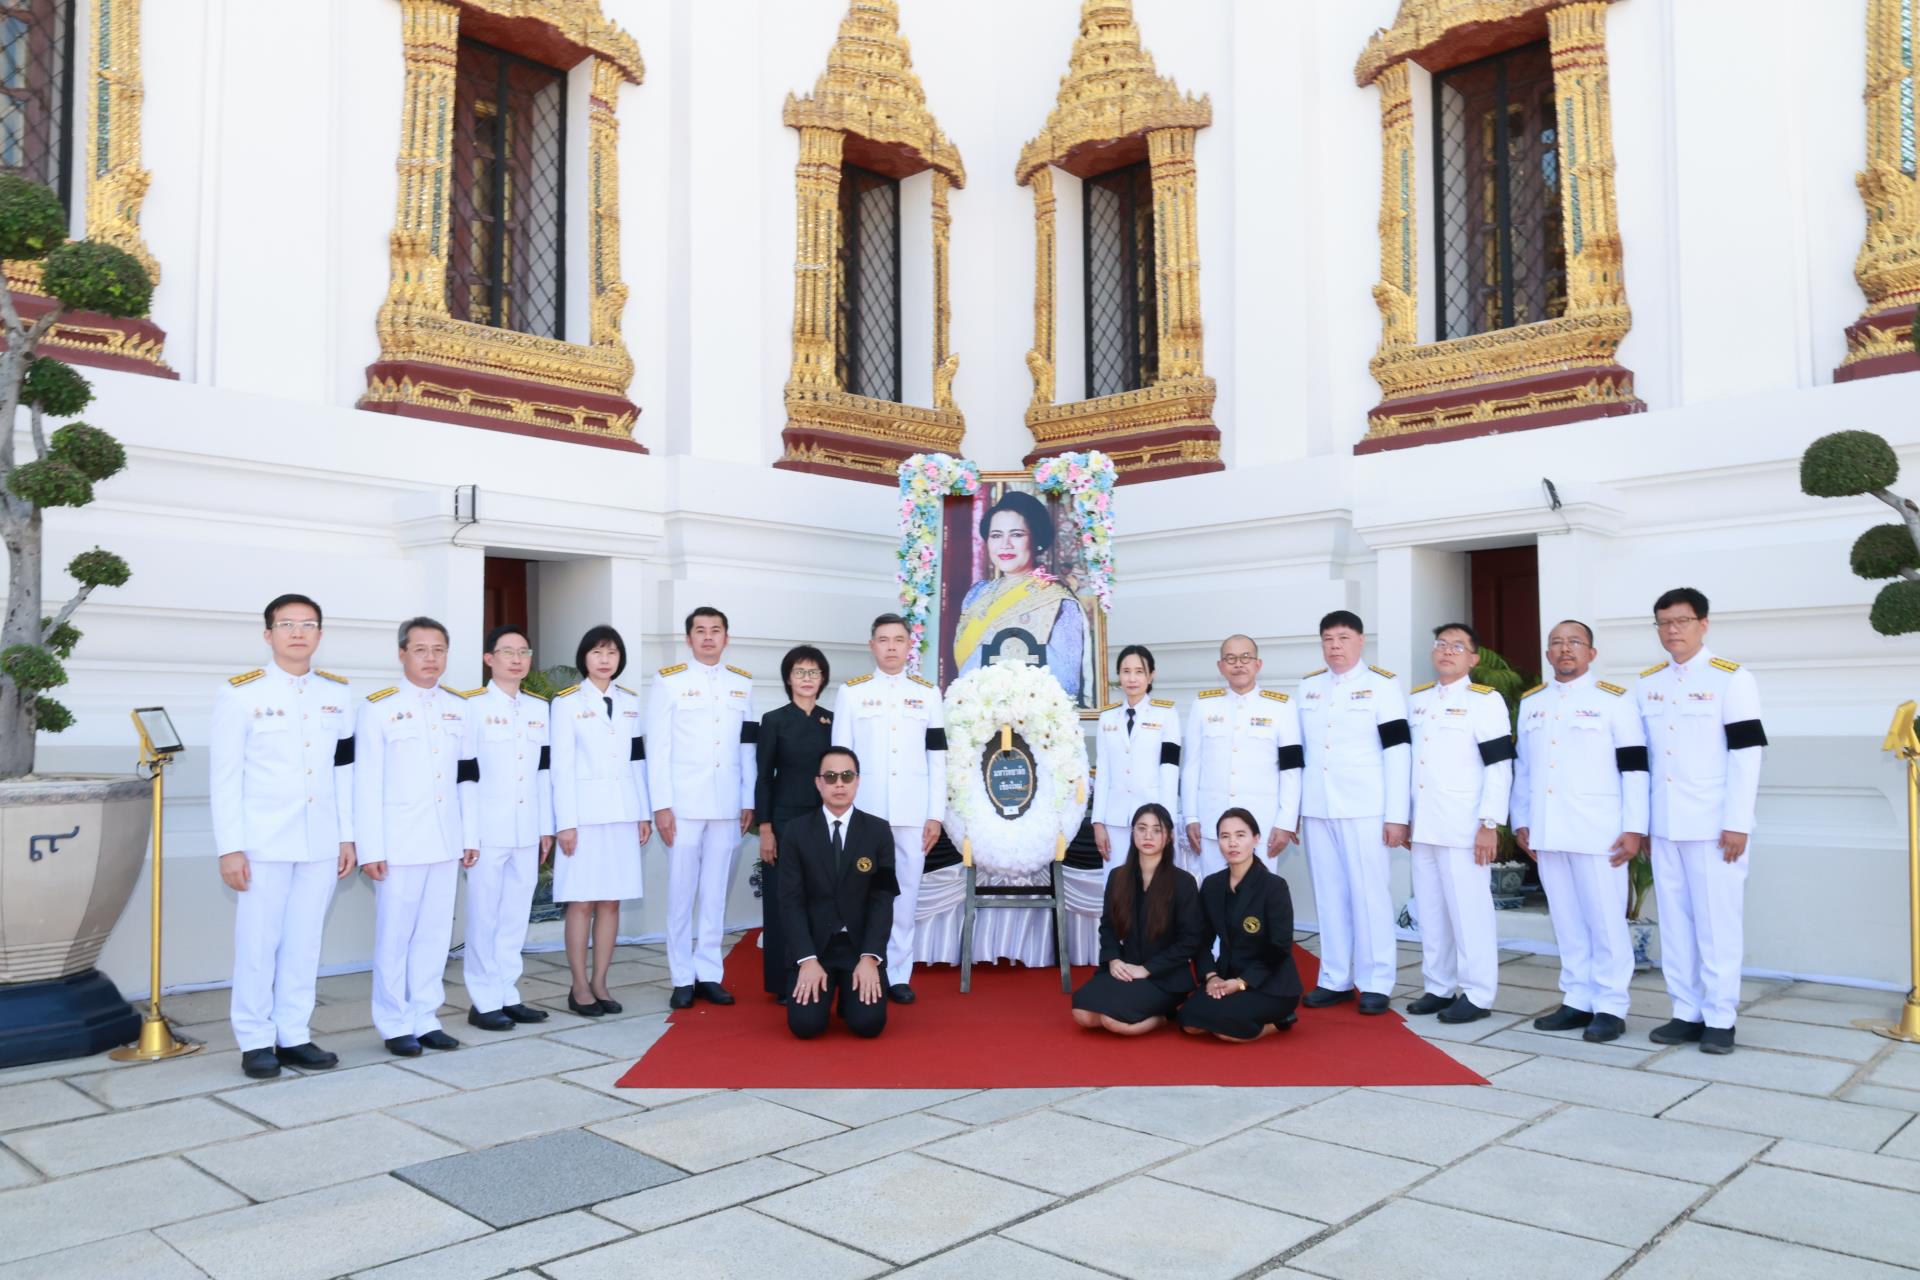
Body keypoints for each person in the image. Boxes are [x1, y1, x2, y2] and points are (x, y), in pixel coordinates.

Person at [209, 593, 356, 1079]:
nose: (297, 632)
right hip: (263, 842)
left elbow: (344, 771)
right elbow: (224, 777)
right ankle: (255, 1040)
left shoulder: (337, 693)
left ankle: (293, 1034)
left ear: (320, 634)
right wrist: (230, 847)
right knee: (258, 942)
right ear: (268, 634)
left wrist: (348, 836)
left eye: (307, 624)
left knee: (304, 942)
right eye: (287, 624)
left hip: (321, 839)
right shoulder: (240, 694)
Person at [1636, 587, 1766, 1055]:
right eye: (1664, 623)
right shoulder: (1648, 683)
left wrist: (1737, 822)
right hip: (1665, 825)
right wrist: (1642, 823)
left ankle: (1720, 1017)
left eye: (1682, 621)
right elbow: (1644, 760)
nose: (1672, 630)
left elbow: (1746, 755)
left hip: (1714, 826)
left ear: (1703, 624)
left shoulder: (1732, 679)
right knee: (1675, 923)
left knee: (1717, 924)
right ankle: (1686, 1011)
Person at [1512, 619, 1649, 1044]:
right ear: (1548, 654)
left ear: (1591, 652)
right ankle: (1577, 998)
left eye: (1575, 642)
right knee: (1567, 920)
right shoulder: (1533, 702)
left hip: (1598, 831)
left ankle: (1610, 1005)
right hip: (1548, 828)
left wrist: (1634, 827)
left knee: (1605, 921)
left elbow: (1635, 767)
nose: (1565, 649)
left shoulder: (1614, 700)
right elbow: (1524, 767)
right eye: (1556, 642)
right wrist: (1521, 819)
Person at [354, 617, 479, 1056]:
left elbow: (468, 776)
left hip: (445, 839)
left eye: (439, 650)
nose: (431, 658)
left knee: (434, 935)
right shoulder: (378, 708)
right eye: (421, 649)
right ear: (402, 653)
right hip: (399, 842)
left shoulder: (459, 707)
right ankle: (393, 1022)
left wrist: (470, 834)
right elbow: (366, 784)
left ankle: (425, 1017)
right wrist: (370, 847)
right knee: (395, 936)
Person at [1297, 611, 1410, 1016]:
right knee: (1329, 896)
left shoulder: (1383, 685)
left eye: (1343, 638)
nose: (1335, 646)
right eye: (1328, 639)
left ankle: (1376, 981)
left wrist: (1397, 814)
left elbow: (1398, 751)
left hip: (1366, 807)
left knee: (1369, 896)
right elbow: (1300, 752)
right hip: (1318, 806)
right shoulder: (1309, 687)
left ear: (1361, 641)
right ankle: (1335, 978)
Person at [832, 613, 945, 1003]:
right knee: (858, 891)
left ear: (909, 645)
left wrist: (935, 814)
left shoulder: (928, 694)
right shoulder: (852, 693)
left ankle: (897, 973)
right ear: (872, 646)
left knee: (906, 893)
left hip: (913, 812)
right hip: (864, 813)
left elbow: (937, 758)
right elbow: (839, 760)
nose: (891, 647)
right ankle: (860, 966)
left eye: (898, 640)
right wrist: (841, 812)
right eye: (883, 640)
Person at [1405, 623, 1514, 1025]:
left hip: (1464, 825)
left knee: (1470, 914)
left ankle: (1477, 992)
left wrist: (1490, 822)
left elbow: (1499, 766)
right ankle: (1438, 986)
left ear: (1473, 658)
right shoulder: (1418, 700)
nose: (1447, 651)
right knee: (1431, 911)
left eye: (1457, 646)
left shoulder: (1485, 701)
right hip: (1424, 824)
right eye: (1441, 644)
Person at [649, 606, 757, 1009]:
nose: (708, 637)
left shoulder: (742, 683)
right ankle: (681, 976)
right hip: (684, 805)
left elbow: (748, 746)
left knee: (715, 893)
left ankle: (709, 972)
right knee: (681, 892)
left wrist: (748, 798)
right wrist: (662, 805)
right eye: (700, 630)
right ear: (688, 638)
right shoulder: (669, 681)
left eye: (715, 630)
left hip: (727, 804)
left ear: (726, 637)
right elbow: (658, 748)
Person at [550, 625, 652, 1017]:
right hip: (584, 817)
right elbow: (561, 767)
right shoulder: (566, 703)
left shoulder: (630, 702)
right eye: (597, 652)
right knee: (581, 902)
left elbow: (637, 760)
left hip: (622, 813)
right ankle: (578, 986)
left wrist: (642, 812)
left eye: (611, 652)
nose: (604, 659)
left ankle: (601, 982)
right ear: (584, 658)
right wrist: (565, 823)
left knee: (611, 901)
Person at [461, 625, 557, 1031]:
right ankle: (483, 1000)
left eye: (523, 652)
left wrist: (546, 826)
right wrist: (468, 834)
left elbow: (544, 772)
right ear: (489, 659)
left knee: (516, 915)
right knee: (484, 916)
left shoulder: (538, 708)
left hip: (527, 828)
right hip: (487, 830)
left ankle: (507, 993)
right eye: (507, 652)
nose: (517, 660)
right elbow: (466, 775)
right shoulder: (471, 706)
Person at [778, 746, 898, 1040]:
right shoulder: (796, 832)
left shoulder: (878, 831)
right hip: (815, 946)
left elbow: (882, 899)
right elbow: (790, 901)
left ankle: (848, 993)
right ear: (818, 783)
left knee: (868, 1025)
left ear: (858, 781)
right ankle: (827, 982)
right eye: (830, 777)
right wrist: (806, 959)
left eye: (847, 776)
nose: (839, 784)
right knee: (806, 1027)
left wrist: (870, 957)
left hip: (858, 946)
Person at [1071, 803, 1202, 1035]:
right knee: (1083, 1014)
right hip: (1127, 968)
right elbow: (1108, 927)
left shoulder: (1183, 882)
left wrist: (1147, 969)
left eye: (1157, 830)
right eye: (1142, 828)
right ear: (1133, 834)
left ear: (1169, 837)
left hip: (1164, 976)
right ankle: (1135, 1003)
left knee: (1115, 1022)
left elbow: (1190, 941)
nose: (1148, 836)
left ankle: (1163, 1017)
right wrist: (1114, 960)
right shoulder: (1118, 876)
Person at [1180, 635, 1303, 878]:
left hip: (1262, 825)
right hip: (1212, 823)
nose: (1238, 664)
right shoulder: (1203, 705)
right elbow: (1191, 765)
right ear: (1220, 666)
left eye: (1246, 657)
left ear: (1258, 664)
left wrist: (1286, 821)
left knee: (1260, 894)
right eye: (1231, 658)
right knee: (1214, 892)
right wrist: (1190, 816)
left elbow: (1291, 769)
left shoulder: (1281, 706)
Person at [950, 490, 1087, 704]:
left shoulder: (1057, 600)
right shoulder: (976, 594)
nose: (1005, 544)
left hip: (1032, 716)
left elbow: (1066, 684)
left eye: (1016, 534)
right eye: (996, 535)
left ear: (1036, 539)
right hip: (973, 713)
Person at [1178, 808, 1303, 1041]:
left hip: (1270, 983)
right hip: (1227, 977)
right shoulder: (1212, 885)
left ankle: (1279, 1022)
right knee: (1189, 1021)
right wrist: (1211, 977)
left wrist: (1243, 982)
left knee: (1225, 1030)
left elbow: (1279, 947)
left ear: (1256, 839)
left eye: (1240, 835)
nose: (1232, 843)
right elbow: (1201, 940)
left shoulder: (1274, 887)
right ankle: (1236, 1013)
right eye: (1225, 836)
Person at [755, 644, 834, 1003]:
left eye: (813, 672)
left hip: (823, 820)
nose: (807, 678)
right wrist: (766, 828)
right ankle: (783, 981)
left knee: (820, 899)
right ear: (788, 678)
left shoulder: (832, 721)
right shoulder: (774, 720)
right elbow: (763, 778)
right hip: (784, 822)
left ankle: (819, 975)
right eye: (800, 672)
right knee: (782, 901)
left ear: (822, 679)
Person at [1092, 646, 1182, 882]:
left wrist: (1167, 821)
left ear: (1151, 676)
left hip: (1153, 818)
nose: (1132, 678)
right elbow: (1103, 773)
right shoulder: (1107, 717)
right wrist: (1098, 821)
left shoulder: (1166, 714)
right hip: (1115, 819)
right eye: (1126, 671)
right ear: (1118, 676)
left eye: (1139, 671)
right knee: (1116, 884)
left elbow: (1170, 769)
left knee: (1153, 883)